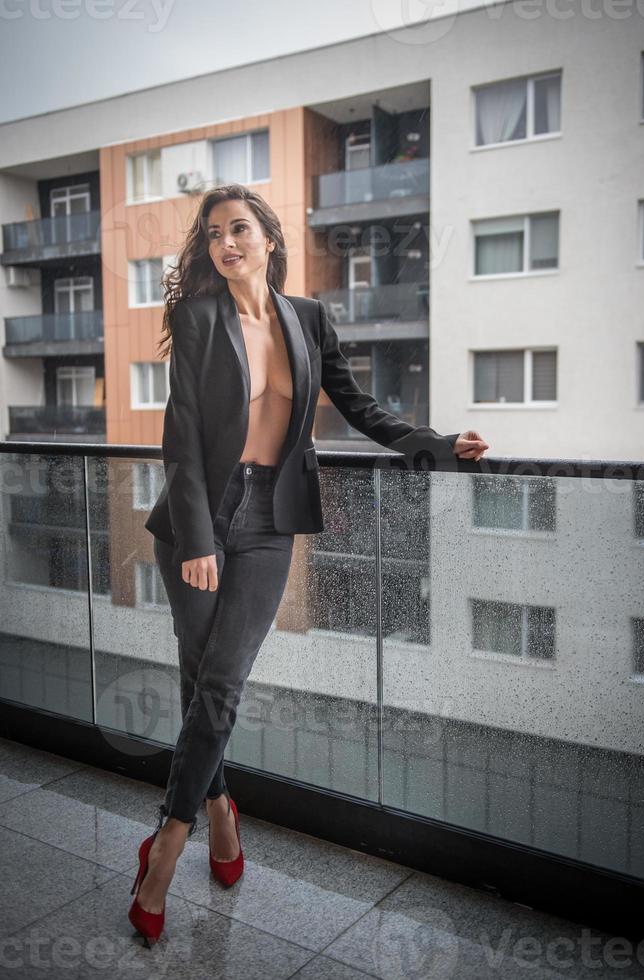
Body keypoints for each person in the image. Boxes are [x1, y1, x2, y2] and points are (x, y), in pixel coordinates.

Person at [130, 184, 489, 945]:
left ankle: (165, 844)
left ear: (267, 237)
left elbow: (358, 405)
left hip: (269, 521)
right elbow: (182, 434)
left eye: (239, 229)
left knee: (220, 681)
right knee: (201, 681)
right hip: (196, 521)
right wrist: (195, 538)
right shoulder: (196, 318)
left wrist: (432, 444)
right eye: (214, 234)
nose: (227, 242)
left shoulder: (308, 318)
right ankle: (219, 813)